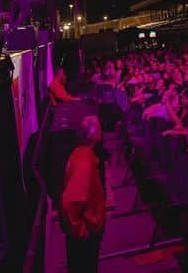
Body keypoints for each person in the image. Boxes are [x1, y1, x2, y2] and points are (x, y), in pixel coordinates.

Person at [61, 115, 106, 273]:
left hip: (87, 228)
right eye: (100, 128)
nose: (102, 131)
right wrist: (81, 230)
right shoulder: (85, 162)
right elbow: (70, 200)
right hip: (86, 235)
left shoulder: (79, 153)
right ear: (92, 134)